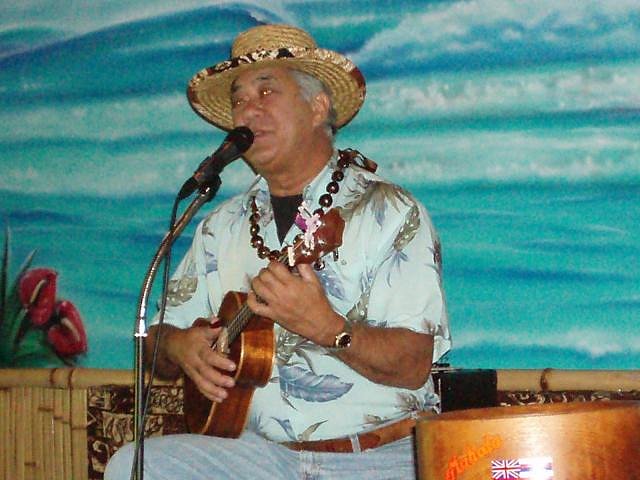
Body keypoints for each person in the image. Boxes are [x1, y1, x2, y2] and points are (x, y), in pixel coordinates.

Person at [105, 23, 451, 480]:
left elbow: (414, 364)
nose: (248, 111)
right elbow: (153, 343)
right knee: (134, 465)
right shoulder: (220, 226)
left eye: (266, 91)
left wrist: (330, 329)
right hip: (260, 457)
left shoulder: (388, 209)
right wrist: (179, 345)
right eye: (239, 101)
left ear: (318, 106)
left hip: (380, 454)